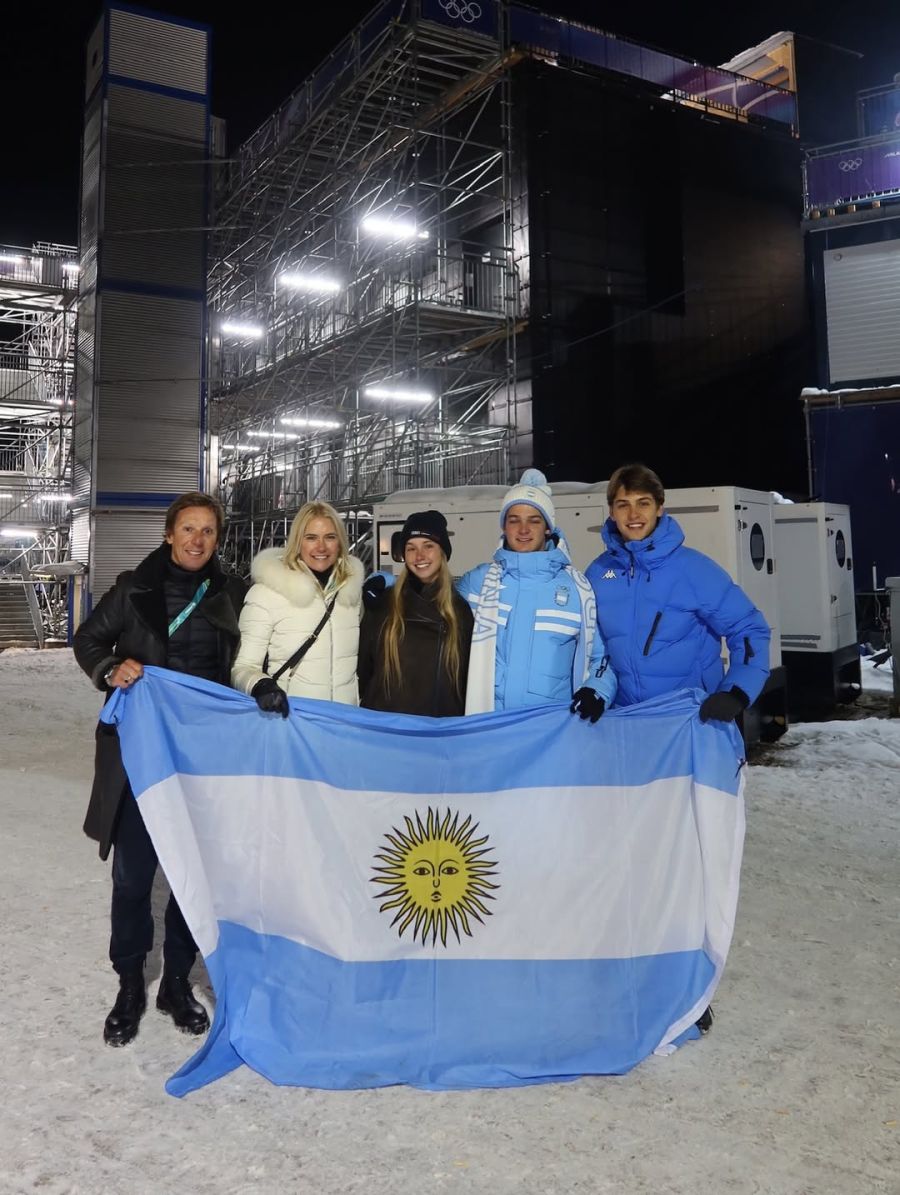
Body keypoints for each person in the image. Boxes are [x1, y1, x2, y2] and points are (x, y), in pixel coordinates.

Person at [73, 492, 247, 1047]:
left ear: (217, 540)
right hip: (141, 758)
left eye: (208, 532)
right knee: (132, 877)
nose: (198, 541)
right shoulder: (133, 588)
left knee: (191, 876)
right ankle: (130, 982)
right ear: (169, 534)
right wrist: (110, 667)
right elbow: (88, 639)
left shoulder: (231, 594)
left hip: (201, 759)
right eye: (188, 529)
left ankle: (174, 981)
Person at [585, 463, 771, 723]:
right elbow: (596, 647)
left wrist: (736, 691)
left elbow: (748, 628)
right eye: (623, 504)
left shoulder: (694, 569)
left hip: (691, 718)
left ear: (660, 508)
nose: (633, 514)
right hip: (625, 720)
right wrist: (596, 693)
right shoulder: (598, 573)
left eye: (644, 503)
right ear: (612, 512)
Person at [458, 469, 617, 716]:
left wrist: (597, 690)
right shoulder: (477, 582)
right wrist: (386, 581)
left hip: (548, 730)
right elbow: (426, 602)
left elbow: (602, 656)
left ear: (547, 528)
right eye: (514, 520)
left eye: (534, 520)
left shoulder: (578, 588)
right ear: (504, 527)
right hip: (488, 724)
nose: (523, 530)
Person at [232, 500, 364, 715]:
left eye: (330, 537)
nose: (321, 547)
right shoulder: (266, 593)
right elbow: (242, 667)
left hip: (345, 723)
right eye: (311, 537)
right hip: (293, 723)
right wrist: (261, 686)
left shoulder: (351, 594)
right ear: (297, 541)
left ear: (340, 541)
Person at [358, 511, 473, 716]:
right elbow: (364, 671)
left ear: (443, 552)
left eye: (428, 546)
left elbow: (466, 682)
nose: (419, 556)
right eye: (411, 548)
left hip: (437, 734)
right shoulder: (383, 605)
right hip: (386, 731)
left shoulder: (460, 612)